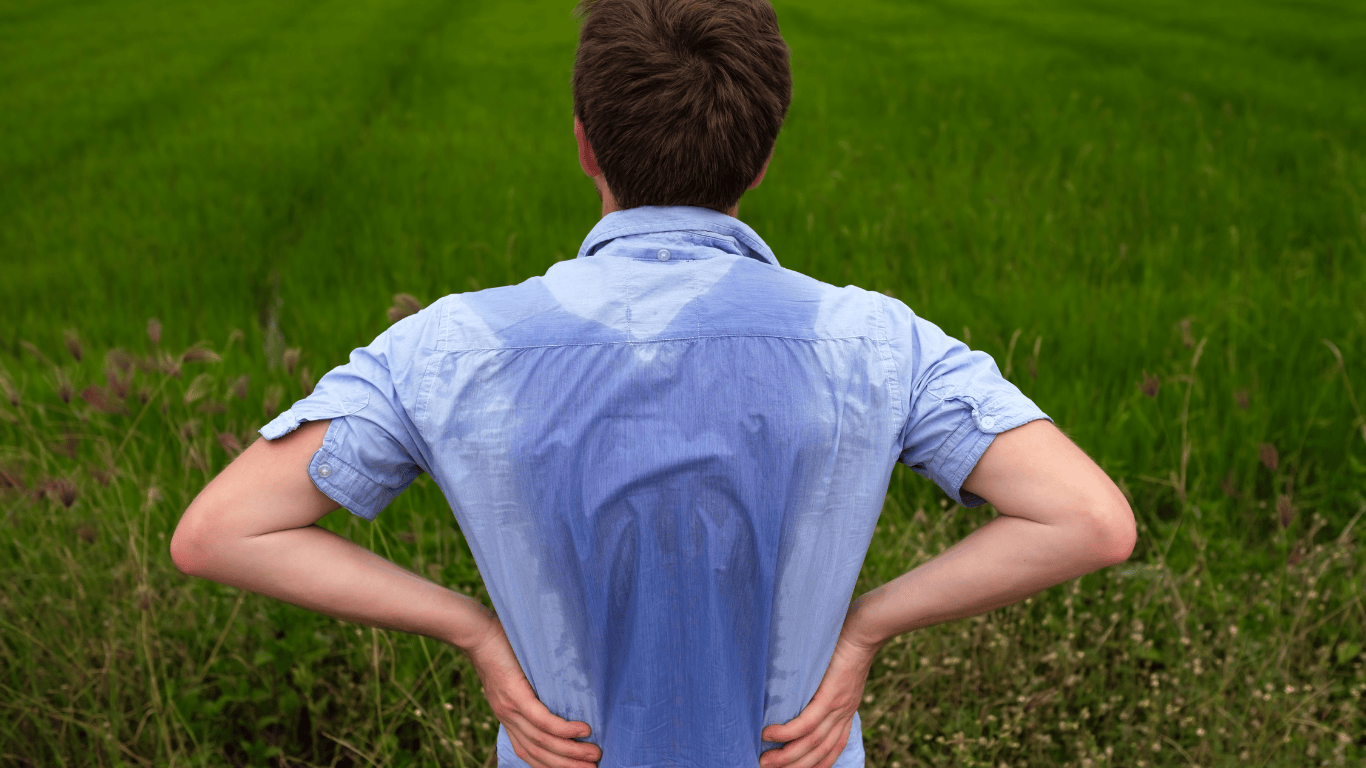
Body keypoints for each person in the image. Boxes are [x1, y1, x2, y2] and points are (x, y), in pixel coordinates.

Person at [170, 0, 1136, 766]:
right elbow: (1090, 519)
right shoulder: (873, 340)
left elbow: (219, 532)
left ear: (586, 143)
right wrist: (864, 630)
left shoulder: (449, 345)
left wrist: (472, 629)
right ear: (762, 156)